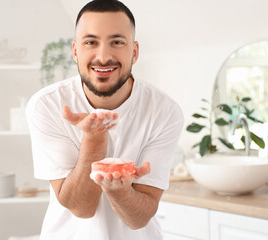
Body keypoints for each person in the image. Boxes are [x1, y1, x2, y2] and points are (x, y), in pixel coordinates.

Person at [26, 0, 184, 239]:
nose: (103, 56)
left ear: (135, 51)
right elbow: (81, 208)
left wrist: (119, 191)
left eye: (117, 42)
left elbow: (139, 218)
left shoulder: (164, 111)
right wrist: (94, 138)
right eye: (91, 42)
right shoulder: (47, 105)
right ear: (76, 50)